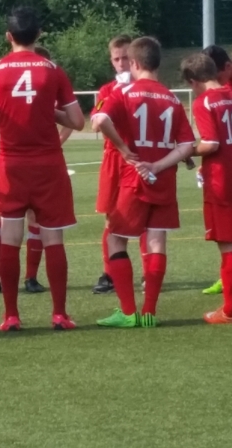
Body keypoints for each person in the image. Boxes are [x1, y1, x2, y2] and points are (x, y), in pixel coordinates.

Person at [0, 6, 85, 332]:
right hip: (49, 166)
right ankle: (59, 314)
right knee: (53, 238)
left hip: (11, 165)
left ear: (8, 36)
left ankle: (11, 315)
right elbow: (77, 122)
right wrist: (49, 110)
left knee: (10, 238)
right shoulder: (53, 70)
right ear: (39, 34)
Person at [90, 37, 194, 328]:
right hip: (163, 179)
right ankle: (149, 311)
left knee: (115, 237)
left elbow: (99, 121)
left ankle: (128, 312)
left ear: (134, 63)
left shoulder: (125, 92)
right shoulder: (172, 98)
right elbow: (187, 145)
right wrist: (159, 165)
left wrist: (123, 149)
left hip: (133, 178)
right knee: (157, 241)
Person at [0, 45, 58, 297]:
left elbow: (69, 119)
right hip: (16, 161)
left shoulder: (45, 82)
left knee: (31, 219)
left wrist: (57, 140)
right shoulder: (20, 78)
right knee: (3, 219)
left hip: (32, 161)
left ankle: (30, 278)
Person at [181, 54, 232, 323]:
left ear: (193, 81)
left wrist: (189, 150)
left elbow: (211, 143)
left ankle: (229, 310)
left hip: (221, 178)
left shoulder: (204, 101)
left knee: (227, 243)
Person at [91, 34, 133, 294]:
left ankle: (148, 275)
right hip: (113, 159)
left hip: (137, 157)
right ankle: (110, 274)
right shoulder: (108, 90)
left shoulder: (146, 87)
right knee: (111, 217)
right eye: (116, 59)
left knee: (143, 218)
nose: (121, 63)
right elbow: (96, 122)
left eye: (126, 58)